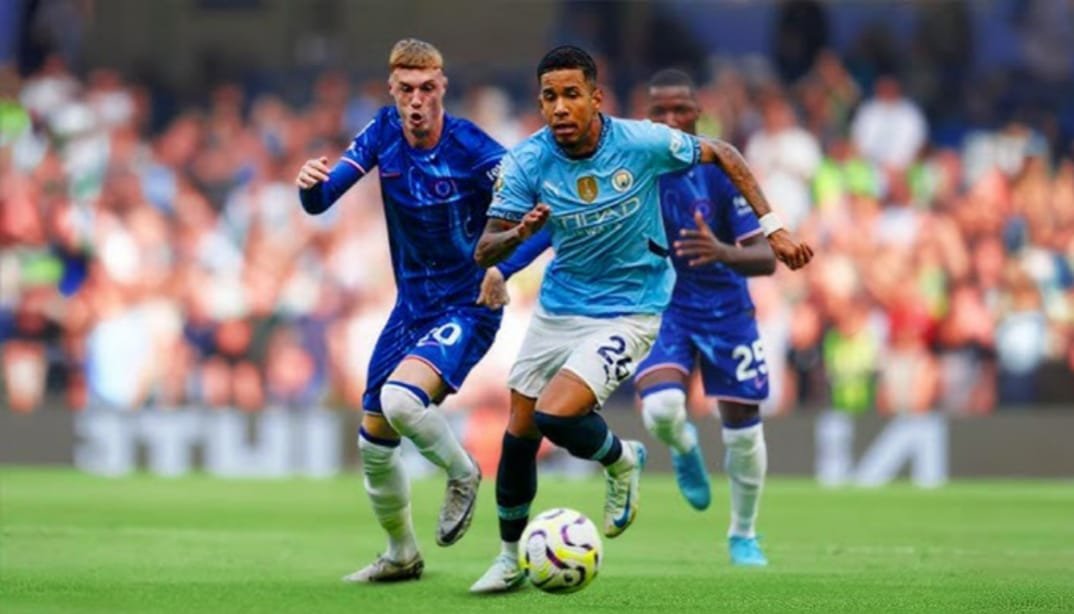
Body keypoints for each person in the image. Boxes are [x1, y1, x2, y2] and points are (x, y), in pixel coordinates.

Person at [469, 47, 812, 593]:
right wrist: (513, 238)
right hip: (560, 306)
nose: (560, 107)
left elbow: (723, 152)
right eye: (550, 97)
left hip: (632, 309)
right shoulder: (526, 162)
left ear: (595, 97)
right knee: (518, 434)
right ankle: (509, 558)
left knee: (557, 418)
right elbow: (485, 247)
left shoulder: (641, 143)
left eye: (571, 95)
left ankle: (622, 460)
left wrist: (774, 228)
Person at [294, 38, 530, 584]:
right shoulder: (382, 132)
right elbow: (323, 198)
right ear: (392, 91)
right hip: (410, 311)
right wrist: (308, 189)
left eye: (427, 88)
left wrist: (503, 270)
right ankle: (401, 553)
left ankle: (463, 470)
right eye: (406, 89)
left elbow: (528, 211)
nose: (416, 99)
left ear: (442, 87)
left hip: (468, 304)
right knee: (373, 442)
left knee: (401, 401)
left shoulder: (472, 147)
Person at [634, 69, 777, 567]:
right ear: (646, 116)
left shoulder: (719, 168)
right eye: (660, 111)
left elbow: (766, 257)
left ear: (699, 111)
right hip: (664, 307)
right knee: (662, 411)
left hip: (725, 312)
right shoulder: (635, 169)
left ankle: (743, 534)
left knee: (743, 433)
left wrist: (719, 251)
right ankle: (681, 444)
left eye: (680, 110)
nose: (671, 120)